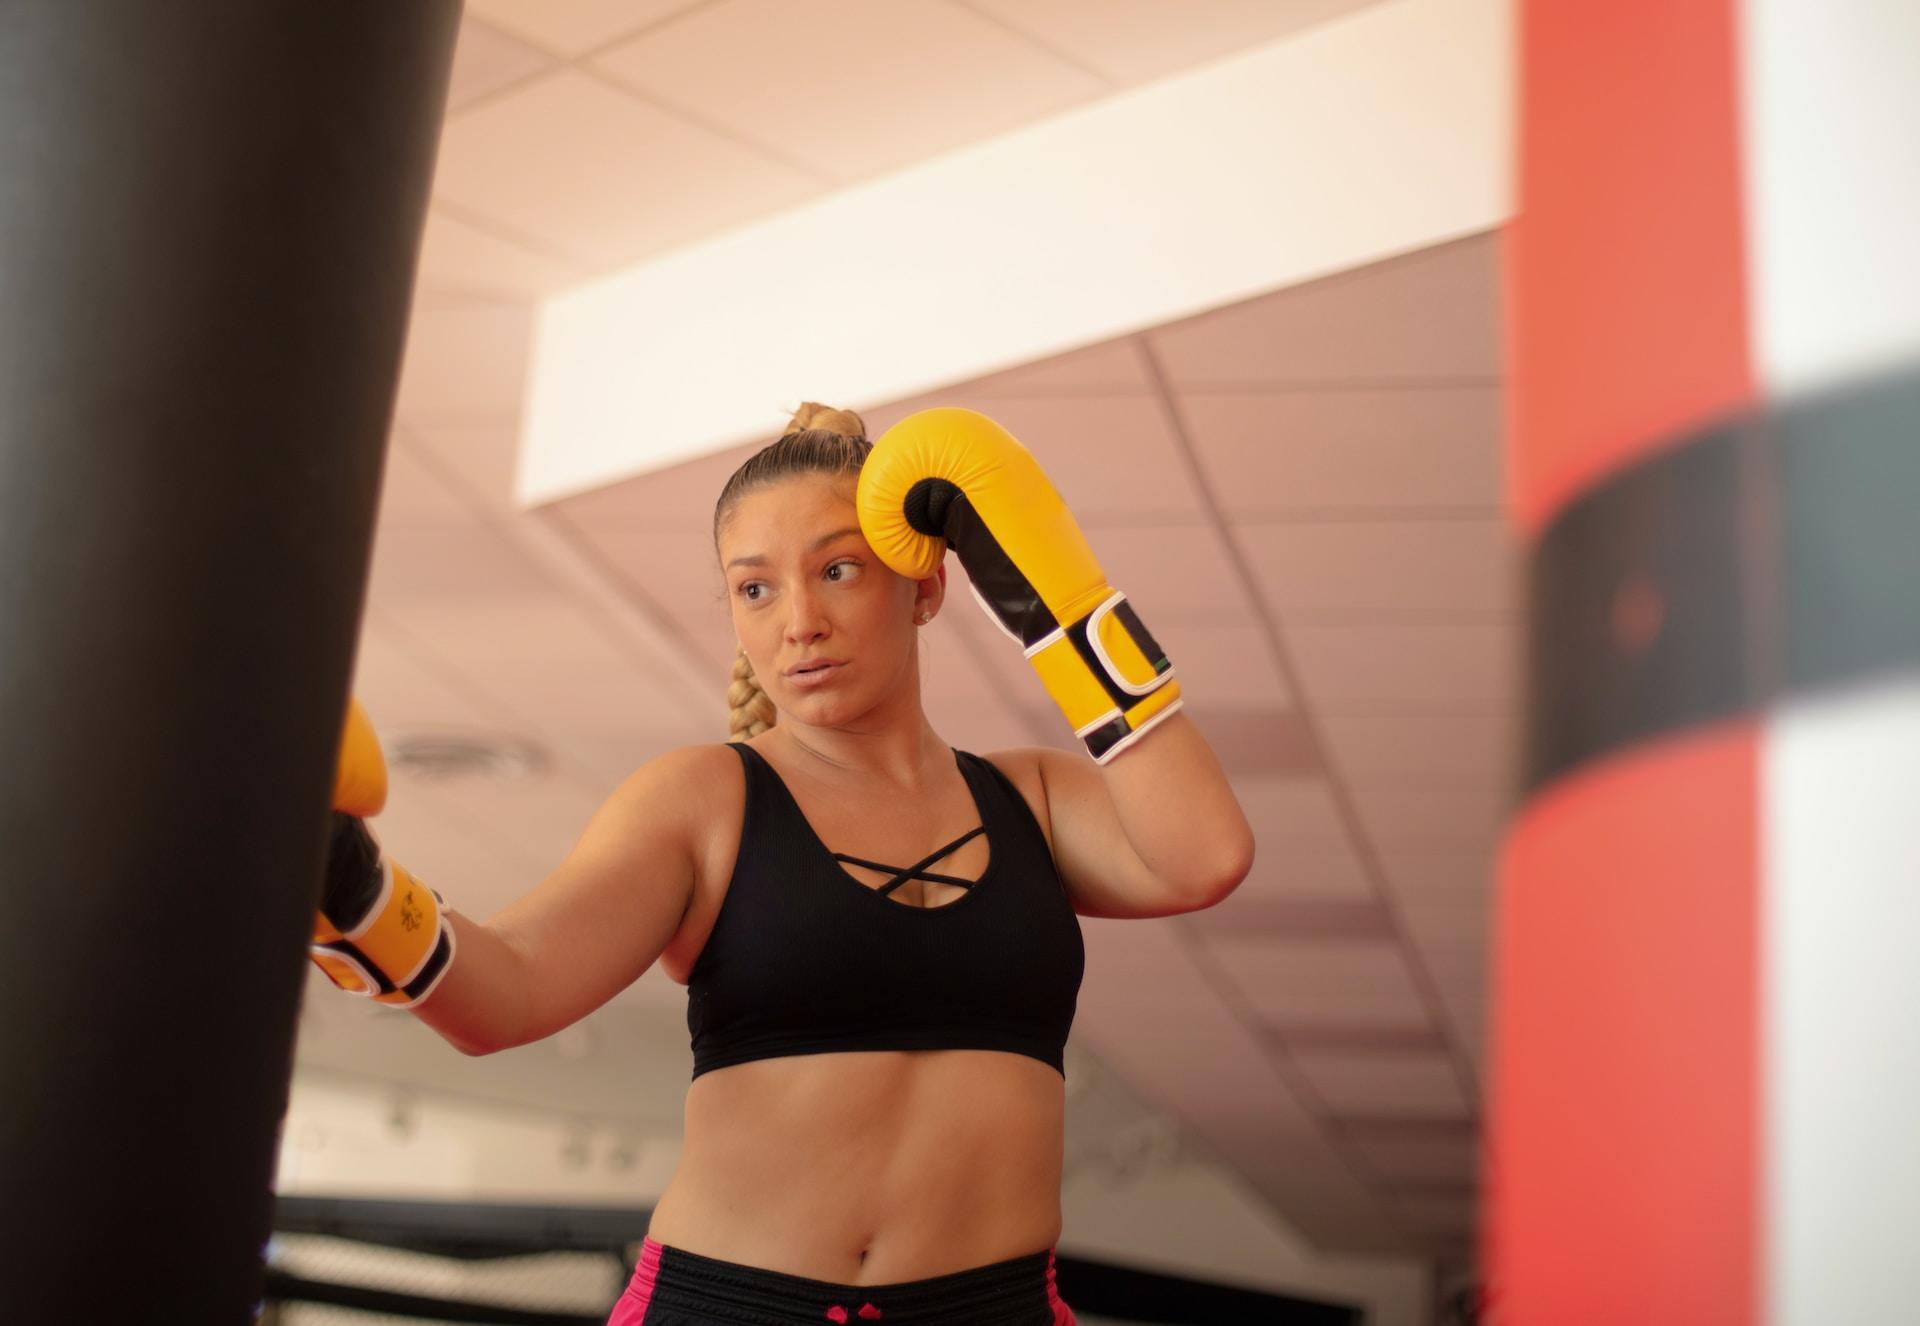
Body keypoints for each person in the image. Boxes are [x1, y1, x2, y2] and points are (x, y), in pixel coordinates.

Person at [312, 402, 1255, 1325]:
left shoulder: (1033, 802)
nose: (799, 620)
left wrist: (1055, 600)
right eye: (755, 588)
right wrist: (346, 884)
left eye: (839, 569)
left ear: (924, 588)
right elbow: (503, 993)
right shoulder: (704, 800)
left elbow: (1202, 858)